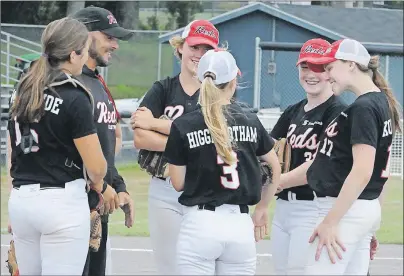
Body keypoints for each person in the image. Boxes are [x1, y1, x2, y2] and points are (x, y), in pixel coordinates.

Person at [281, 38, 402, 275]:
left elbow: (362, 171)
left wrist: (330, 221)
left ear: (350, 64)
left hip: (346, 210)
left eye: (330, 67)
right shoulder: (379, 101)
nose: (327, 74)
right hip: (363, 208)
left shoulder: (364, 107)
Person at [163, 49, 281, 275]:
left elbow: (178, 183)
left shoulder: (184, 124)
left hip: (201, 222)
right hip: (240, 225)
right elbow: (275, 167)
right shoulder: (250, 119)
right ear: (234, 80)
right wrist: (263, 207)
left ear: (200, 80)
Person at [7, 17, 107, 275]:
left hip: (21, 198)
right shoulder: (74, 94)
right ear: (73, 55)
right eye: (84, 51)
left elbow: (12, 152)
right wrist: (101, 183)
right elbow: (96, 168)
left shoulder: (24, 89)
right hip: (60, 202)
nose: (86, 57)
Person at [130, 19, 221, 274]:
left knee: (202, 266)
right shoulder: (163, 89)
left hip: (204, 190)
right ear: (181, 47)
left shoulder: (218, 93)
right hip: (164, 191)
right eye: (195, 47)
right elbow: (140, 138)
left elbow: (216, 141)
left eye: (207, 50)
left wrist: (158, 125)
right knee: (168, 266)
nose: (199, 55)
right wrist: (191, 144)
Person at [269, 38, 347, 275]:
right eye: (305, 67)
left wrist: (276, 182)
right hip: (283, 209)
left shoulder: (337, 111)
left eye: (319, 67)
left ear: (330, 71)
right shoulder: (294, 110)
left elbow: (319, 164)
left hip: (313, 207)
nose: (311, 74)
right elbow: (269, 149)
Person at [70, 6, 135, 276]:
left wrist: (118, 185)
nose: (115, 45)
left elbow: (105, 145)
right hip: (74, 206)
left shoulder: (97, 83)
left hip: (99, 203)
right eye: (109, 36)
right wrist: (101, 184)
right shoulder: (70, 83)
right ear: (84, 35)